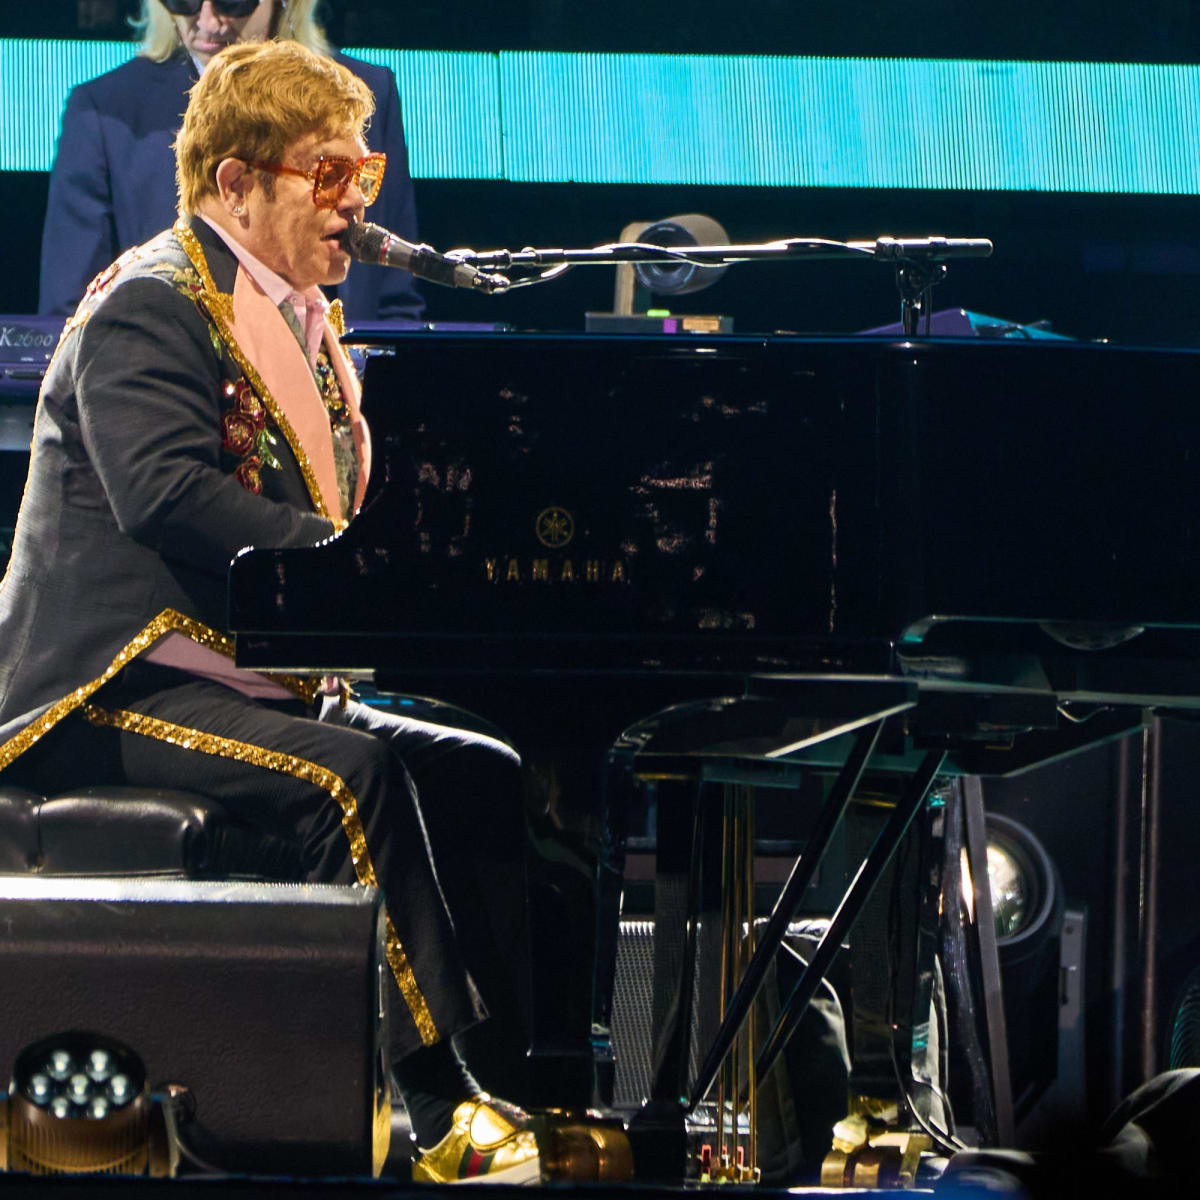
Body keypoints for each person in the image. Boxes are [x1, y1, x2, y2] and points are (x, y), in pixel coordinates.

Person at [0, 38, 535, 1184]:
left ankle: (525, 1077)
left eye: (363, 175)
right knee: (352, 776)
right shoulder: (152, 303)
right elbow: (168, 494)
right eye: (323, 176)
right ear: (234, 184)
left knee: (480, 766)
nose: (353, 206)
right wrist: (350, 564)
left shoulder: (295, 315)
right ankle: (440, 1114)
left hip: (226, 674)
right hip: (103, 688)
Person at [38, 0, 423, 321]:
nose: (206, 21)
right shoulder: (104, 112)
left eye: (230, 0)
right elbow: (70, 319)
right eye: (183, 0)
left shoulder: (365, 97)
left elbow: (393, 300)